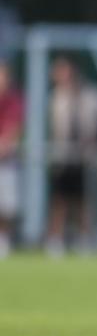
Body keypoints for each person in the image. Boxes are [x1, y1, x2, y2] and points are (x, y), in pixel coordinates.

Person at [46, 55, 97, 256]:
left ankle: (85, 239)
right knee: (59, 199)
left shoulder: (91, 95)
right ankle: (55, 240)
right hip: (62, 156)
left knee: (83, 200)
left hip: (84, 157)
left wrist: (94, 140)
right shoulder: (56, 97)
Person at [0, 61, 23, 258]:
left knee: (7, 205)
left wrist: (4, 145)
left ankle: (4, 240)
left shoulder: (14, 100)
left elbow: (15, 128)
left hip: (6, 160)